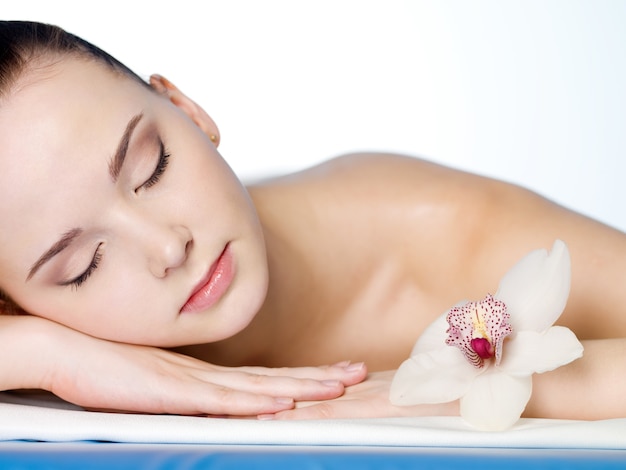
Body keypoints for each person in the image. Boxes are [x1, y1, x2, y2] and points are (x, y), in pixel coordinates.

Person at [0, 20, 625, 422]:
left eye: (152, 166)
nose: (168, 246)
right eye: (84, 265)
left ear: (186, 109)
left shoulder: (434, 229)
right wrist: (46, 356)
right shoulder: (41, 345)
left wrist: (448, 398)